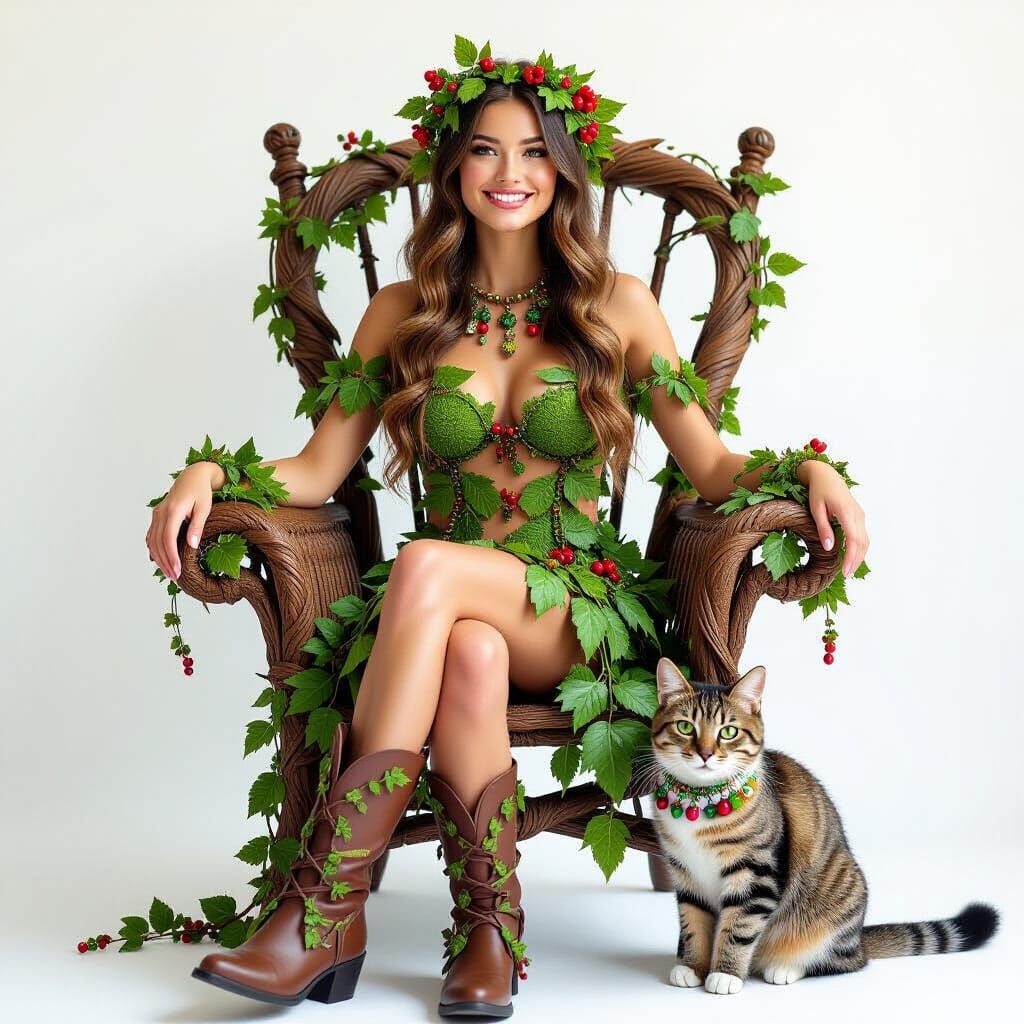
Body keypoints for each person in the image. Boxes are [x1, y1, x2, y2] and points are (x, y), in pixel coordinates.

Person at [145, 47, 869, 1019]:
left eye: (533, 152)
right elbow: (315, 471)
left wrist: (811, 470)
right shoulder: (402, 315)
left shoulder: (617, 307)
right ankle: (489, 934)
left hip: (575, 614)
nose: (510, 173)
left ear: (564, 169)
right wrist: (207, 472)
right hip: (437, 622)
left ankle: (325, 910)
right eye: (484, 151)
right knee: (470, 648)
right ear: (453, 171)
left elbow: (712, 467)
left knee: (432, 570)